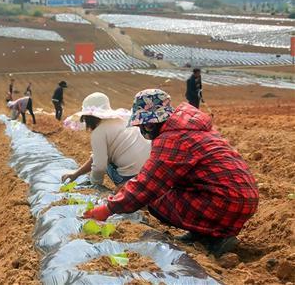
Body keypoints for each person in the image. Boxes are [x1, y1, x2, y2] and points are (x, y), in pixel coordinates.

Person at [84, 89, 259, 257]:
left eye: (143, 125)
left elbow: (147, 185)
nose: (142, 130)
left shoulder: (172, 138)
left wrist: (108, 208)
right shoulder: (193, 129)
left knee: (154, 198)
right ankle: (201, 233)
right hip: (243, 197)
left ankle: (215, 239)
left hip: (226, 202)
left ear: (152, 122)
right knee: (171, 188)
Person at [62, 92, 151, 189]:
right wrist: (76, 174)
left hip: (131, 177)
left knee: (103, 161)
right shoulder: (123, 120)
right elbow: (96, 157)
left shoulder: (98, 132)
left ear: (88, 117)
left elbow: (99, 166)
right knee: (102, 156)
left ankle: (123, 187)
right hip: (149, 172)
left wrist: (95, 184)